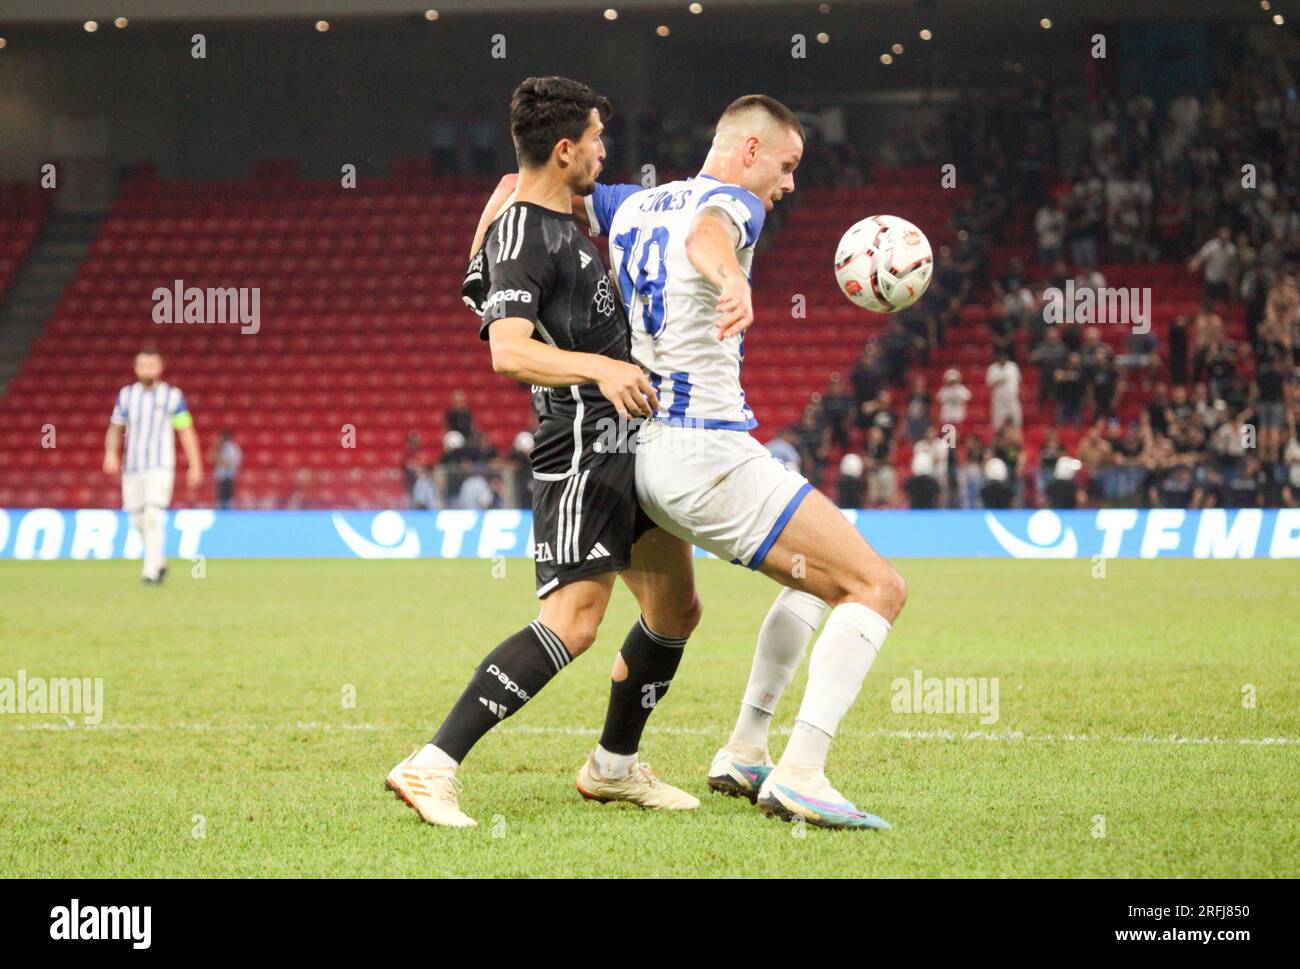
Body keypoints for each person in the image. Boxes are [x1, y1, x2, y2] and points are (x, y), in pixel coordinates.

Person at [387, 77, 697, 829]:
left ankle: (613, 768)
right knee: (574, 621)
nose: (603, 150)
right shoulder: (528, 231)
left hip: (627, 442)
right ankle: (431, 765)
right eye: (595, 139)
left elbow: (475, 288)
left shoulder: (544, 223)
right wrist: (603, 367)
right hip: (582, 446)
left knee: (676, 609)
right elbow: (507, 351)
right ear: (564, 151)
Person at [604, 95, 905, 829]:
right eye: (787, 164)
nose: (789, 183)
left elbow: (523, 187)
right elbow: (710, 234)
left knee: (817, 583)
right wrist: (731, 278)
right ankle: (803, 772)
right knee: (876, 586)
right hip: (706, 454)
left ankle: (746, 747)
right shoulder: (734, 201)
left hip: (641, 456)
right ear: (747, 151)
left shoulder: (631, 205)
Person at [102, 348, 203, 584]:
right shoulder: (126, 396)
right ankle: (158, 560)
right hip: (132, 466)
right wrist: (110, 453)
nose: (147, 370)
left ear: (160, 368)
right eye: (142, 365)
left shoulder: (173, 396)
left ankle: (150, 572)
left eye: (151, 365)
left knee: (152, 515)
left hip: (160, 465)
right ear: (136, 368)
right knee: (136, 520)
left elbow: (185, 430)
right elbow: (115, 427)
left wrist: (195, 464)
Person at [986, 347, 1022, 429]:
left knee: (1016, 420)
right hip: (999, 399)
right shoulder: (992, 368)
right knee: (998, 422)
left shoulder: (1013, 366)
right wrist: (999, 379)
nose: (1002, 359)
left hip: (1012, 397)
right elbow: (989, 383)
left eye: (1004, 357)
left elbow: (1019, 380)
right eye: (1000, 357)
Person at [211, 429, 241, 510]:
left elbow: (229, 462)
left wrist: (218, 458)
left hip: (227, 477)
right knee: (221, 499)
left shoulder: (230, 448)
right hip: (223, 478)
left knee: (226, 500)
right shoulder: (223, 448)